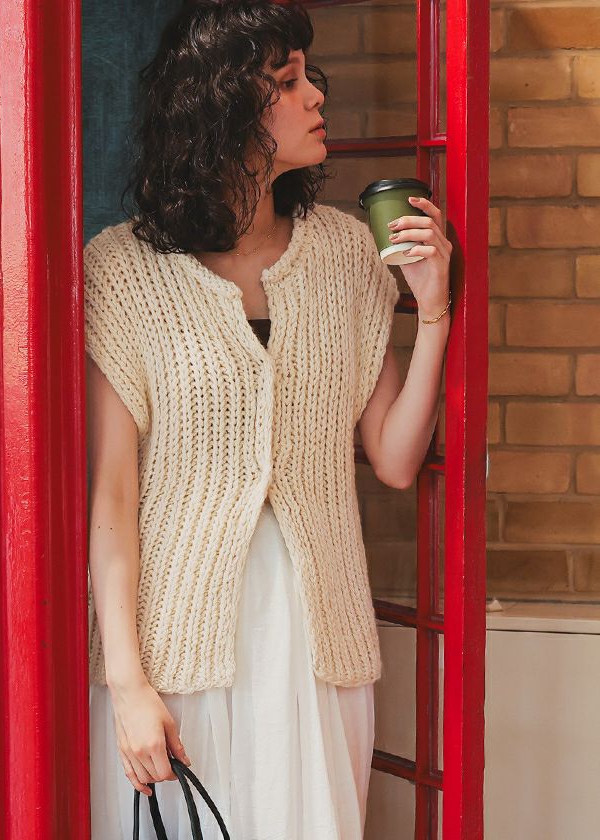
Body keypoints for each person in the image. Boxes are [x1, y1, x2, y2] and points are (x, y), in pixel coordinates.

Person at [85, 1, 452, 838]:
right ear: (221, 107)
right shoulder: (121, 270)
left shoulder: (346, 254)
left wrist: (432, 312)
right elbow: (112, 497)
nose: (316, 95)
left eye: (306, 75)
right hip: (176, 648)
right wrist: (129, 683)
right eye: (285, 82)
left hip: (317, 644)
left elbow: (395, 459)